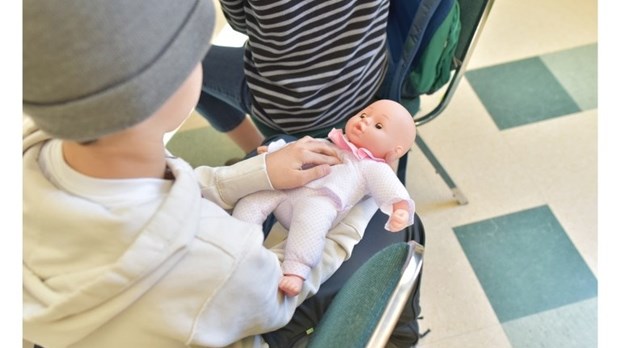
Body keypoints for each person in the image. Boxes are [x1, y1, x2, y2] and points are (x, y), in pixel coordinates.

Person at [22, 1, 379, 347]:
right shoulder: (220, 257)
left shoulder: (31, 144)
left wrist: (260, 172)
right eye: (195, 58)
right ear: (163, 86)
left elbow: (166, 192)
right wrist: (354, 212)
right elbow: (279, 296)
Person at [233, 99, 417, 297]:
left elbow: (391, 187)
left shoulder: (373, 167)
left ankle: (296, 270)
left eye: (378, 125)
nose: (364, 121)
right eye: (364, 115)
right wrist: (275, 151)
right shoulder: (332, 142)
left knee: (311, 226)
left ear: (395, 151)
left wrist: (400, 209)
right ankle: (236, 241)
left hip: (321, 202)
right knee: (253, 199)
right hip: (289, 186)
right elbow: (301, 149)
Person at [197, 0, 391, 153]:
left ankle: (262, 155)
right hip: (368, 80)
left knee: (178, 63)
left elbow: (240, 23)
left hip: (297, 108)